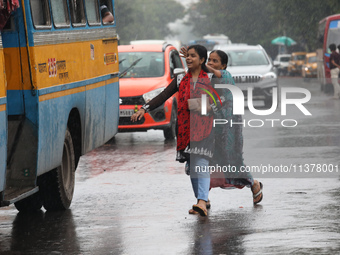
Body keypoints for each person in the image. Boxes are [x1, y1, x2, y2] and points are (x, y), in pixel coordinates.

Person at [131, 45, 215, 216]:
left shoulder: (211, 78)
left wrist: (202, 105)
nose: (189, 59)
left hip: (205, 129)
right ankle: (202, 200)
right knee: (192, 166)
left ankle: (201, 201)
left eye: (193, 56)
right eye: (188, 56)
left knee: (201, 162)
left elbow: (221, 101)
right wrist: (144, 108)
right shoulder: (180, 79)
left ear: (202, 60)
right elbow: (163, 96)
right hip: (185, 130)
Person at [180, 48, 263, 215]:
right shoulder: (208, 77)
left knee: (231, 161)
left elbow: (226, 99)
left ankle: (254, 184)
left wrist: (200, 62)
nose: (210, 63)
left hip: (227, 128)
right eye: (209, 59)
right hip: (207, 126)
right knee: (202, 160)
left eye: (215, 61)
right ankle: (203, 200)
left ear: (223, 65)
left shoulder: (225, 76)